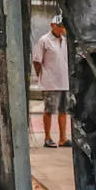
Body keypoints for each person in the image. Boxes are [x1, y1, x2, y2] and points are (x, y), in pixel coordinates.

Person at [31, 19, 70, 147]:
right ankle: (47, 138)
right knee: (49, 110)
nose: (61, 29)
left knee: (63, 110)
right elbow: (37, 61)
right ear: (52, 26)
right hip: (50, 82)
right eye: (59, 26)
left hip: (64, 81)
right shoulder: (44, 40)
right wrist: (41, 76)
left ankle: (62, 138)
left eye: (63, 27)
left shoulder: (65, 41)